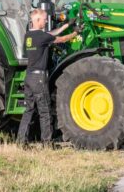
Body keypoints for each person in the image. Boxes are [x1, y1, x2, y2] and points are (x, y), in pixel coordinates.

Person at [17, 8, 79, 147]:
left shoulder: (29, 36)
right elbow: (61, 39)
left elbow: (49, 34)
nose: (46, 21)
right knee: (45, 111)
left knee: (29, 111)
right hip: (39, 79)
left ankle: (21, 142)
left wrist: (66, 25)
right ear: (37, 20)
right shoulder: (42, 37)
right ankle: (47, 143)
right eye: (44, 19)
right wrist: (75, 32)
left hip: (29, 77)